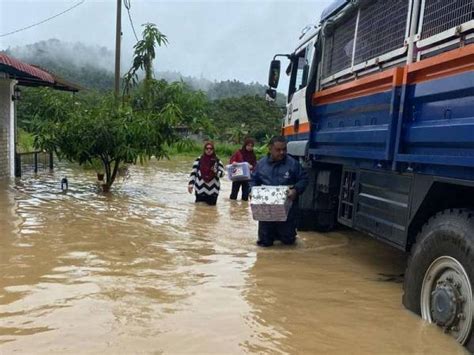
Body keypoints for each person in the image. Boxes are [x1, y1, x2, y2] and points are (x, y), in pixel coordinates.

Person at [250, 135, 308, 247]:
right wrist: (251, 191)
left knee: (288, 242)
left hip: (287, 211)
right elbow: (252, 180)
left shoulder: (293, 164)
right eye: (278, 150)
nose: (282, 152)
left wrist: (295, 190)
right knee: (264, 243)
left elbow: (304, 179)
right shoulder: (261, 164)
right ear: (270, 148)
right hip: (266, 211)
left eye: (284, 149)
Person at [188, 142, 225, 206]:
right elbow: (193, 173)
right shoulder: (199, 160)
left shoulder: (217, 161)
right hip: (200, 189)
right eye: (207, 148)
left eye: (211, 149)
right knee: (199, 209)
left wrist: (216, 171)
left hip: (213, 191)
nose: (209, 150)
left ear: (213, 150)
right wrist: (191, 184)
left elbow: (222, 174)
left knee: (211, 210)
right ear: (204, 149)